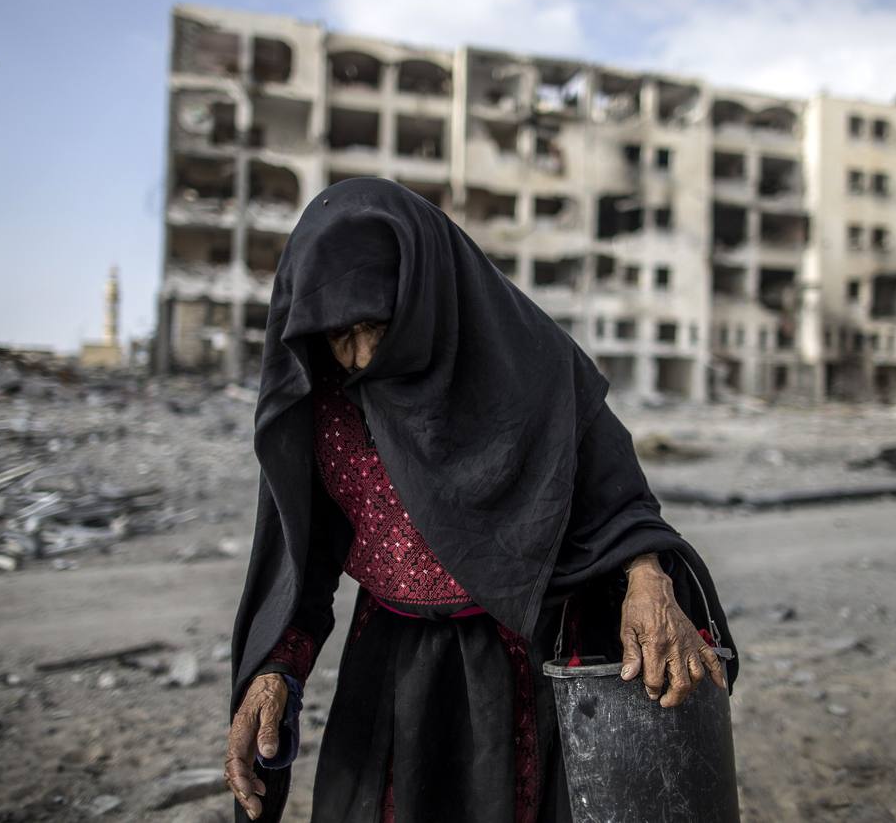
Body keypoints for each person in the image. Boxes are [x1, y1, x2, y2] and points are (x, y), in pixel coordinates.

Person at [223, 177, 738, 822]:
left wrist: (646, 579)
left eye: (373, 325)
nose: (359, 357)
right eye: (337, 335)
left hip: (524, 659)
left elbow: (622, 506)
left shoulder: (524, 362)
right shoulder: (319, 398)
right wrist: (275, 668)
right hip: (390, 662)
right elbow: (301, 556)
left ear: (418, 293)